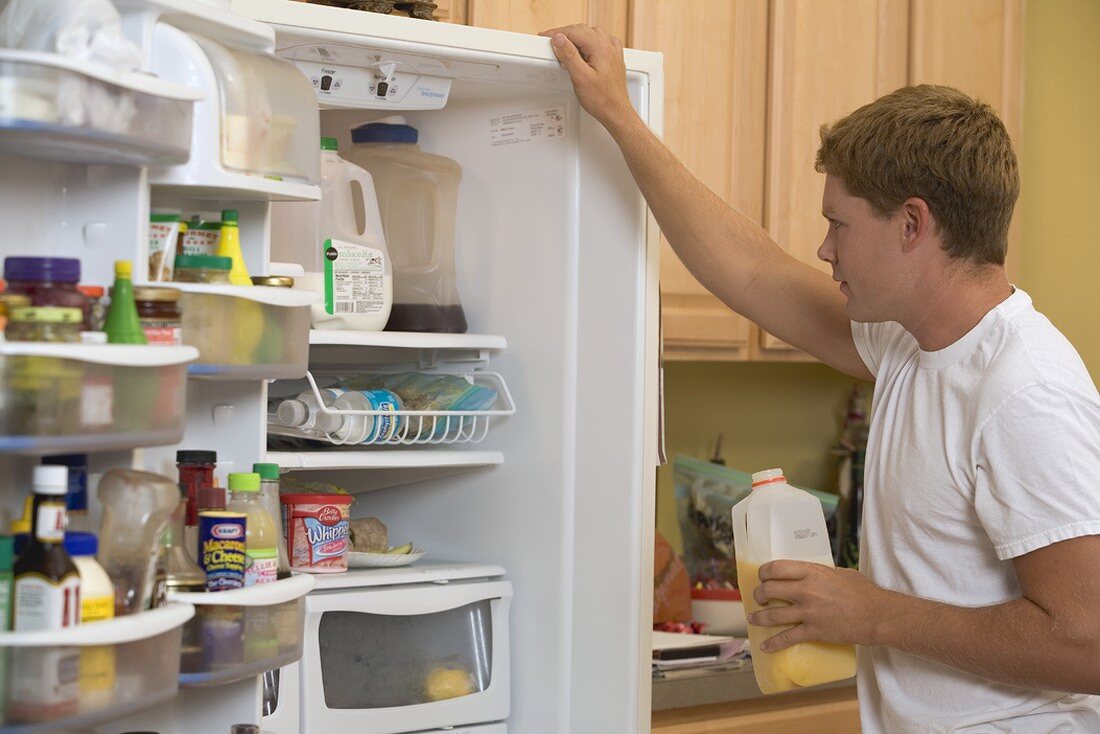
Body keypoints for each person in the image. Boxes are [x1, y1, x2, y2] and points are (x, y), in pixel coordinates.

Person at [541, 24, 1100, 732]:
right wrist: (621, 119)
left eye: (840, 224)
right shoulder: (911, 346)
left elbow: (1088, 643)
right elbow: (753, 271)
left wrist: (874, 611)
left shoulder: (1025, 390)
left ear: (912, 225)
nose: (823, 248)